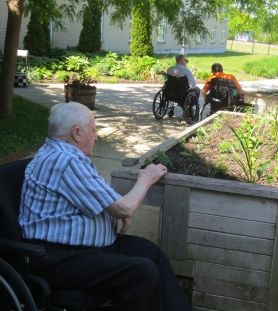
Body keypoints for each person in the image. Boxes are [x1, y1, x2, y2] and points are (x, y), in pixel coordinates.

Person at [18, 102, 192, 311]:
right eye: (93, 130)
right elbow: (125, 208)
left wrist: (115, 212)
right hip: (59, 259)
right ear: (77, 133)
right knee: (141, 272)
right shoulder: (64, 161)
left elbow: (101, 196)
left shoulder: (60, 153)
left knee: (150, 252)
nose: (96, 136)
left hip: (85, 250)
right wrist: (146, 178)